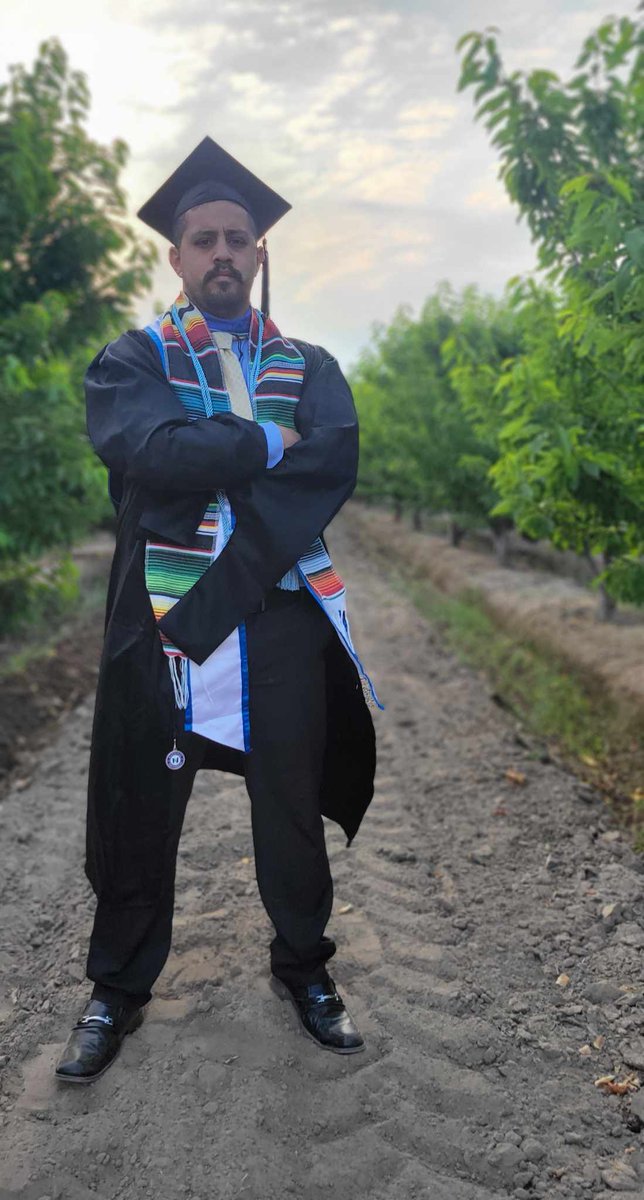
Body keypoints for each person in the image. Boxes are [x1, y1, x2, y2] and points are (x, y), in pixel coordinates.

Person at [55, 137, 382, 1084]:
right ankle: (115, 987)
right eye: (204, 239)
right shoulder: (133, 358)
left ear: (261, 251)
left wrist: (223, 450)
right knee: (138, 804)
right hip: (163, 624)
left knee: (291, 800)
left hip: (279, 623)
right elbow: (148, 454)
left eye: (239, 236)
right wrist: (267, 444)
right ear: (177, 257)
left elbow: (335, 461)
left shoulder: (307, 362)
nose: (223, 252)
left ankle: (304, 970)